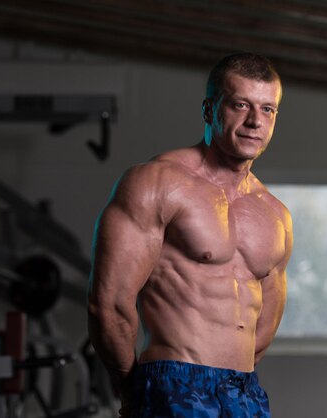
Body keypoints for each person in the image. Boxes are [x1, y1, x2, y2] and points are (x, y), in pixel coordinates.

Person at [87, 52, 293, 418]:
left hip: (244, 390)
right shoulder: (157, 182)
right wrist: (130, 387)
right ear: (209, 109)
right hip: (173, 383)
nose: (253, 121)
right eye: (240, 105)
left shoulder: (275, 214)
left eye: (267, 110)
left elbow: (263, 325)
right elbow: (109, 304)